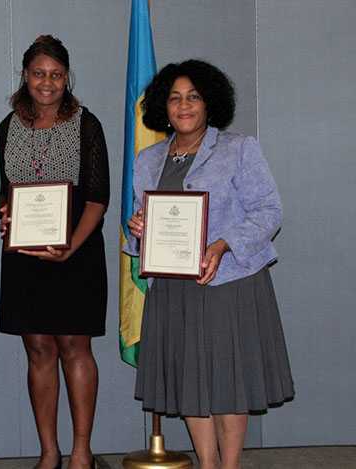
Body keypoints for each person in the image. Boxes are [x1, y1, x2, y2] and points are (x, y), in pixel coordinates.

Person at [125, 59, 294, 469]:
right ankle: (207, 463)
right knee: (192, 385)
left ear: (210, 103)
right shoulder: (148, 159)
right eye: (175, 98)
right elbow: (140, 228)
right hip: (173, 289)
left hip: (229, 285)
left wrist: (222, 245)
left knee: (227, 384)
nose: (184, 106)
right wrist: (138, 229)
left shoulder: (239, 148)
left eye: (194, 97)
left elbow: (269, 211)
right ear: (163, 107)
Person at [0, 35, 109, 469]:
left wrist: (69, 249)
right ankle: (49, 452)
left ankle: (81, 450)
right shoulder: (8, 126)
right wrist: (4, 212)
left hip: (76, 251)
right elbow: (0, 192)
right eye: (39, 73)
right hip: (24, 257)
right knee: (39, 349)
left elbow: (98, 198)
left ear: (67, 78)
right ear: (26, 76)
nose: (47, 82)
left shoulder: (86, 124)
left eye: (56, 75)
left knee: (75, 347)